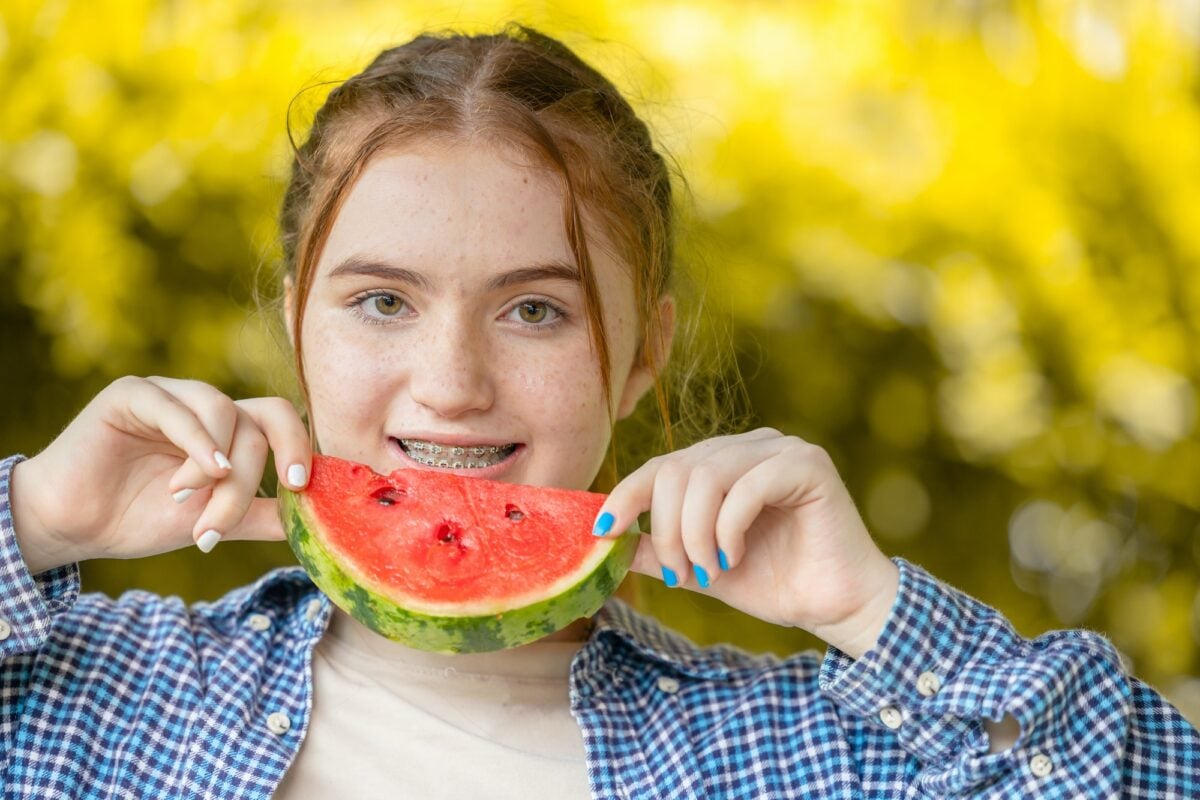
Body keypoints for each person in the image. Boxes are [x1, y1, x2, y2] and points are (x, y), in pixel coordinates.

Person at [2, 24, 1197, 799]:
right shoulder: (106, 692)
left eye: (535, 311)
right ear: (297, 319)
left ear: (641, 356)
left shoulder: (802, 749)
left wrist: (869, 609)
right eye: (380, 301)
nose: (453, 381)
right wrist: (34, 520)